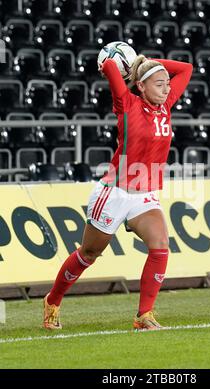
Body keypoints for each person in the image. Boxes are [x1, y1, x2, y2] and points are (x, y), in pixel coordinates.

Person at [43, 53, 193, 331]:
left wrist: (145, 60)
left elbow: (186, 68)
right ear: (141, 86)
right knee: (88, 254)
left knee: (160, 247)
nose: (167, 89)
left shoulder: (167, 105)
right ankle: (52, 300)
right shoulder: (127, 104)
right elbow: (110, 65)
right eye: (159, 84)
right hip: (114, 192)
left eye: (166, 84)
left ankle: (144, 315)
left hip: (144, 193)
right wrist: (115, 61)